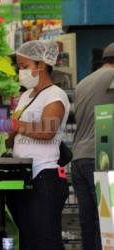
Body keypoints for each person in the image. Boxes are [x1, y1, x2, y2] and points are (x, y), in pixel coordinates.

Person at [4, 40, 70, 250]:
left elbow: (47, 131)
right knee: (28, 241)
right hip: (22, 177)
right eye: (19, 67)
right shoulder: (25, 96)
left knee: (46, 241)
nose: (21, 72)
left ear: (41, 65)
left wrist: (16, 124)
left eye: (25, 66)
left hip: (44, 177)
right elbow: (11, 134)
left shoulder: (55, 95)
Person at [71, 43, 114, 250]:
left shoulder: (84, 82)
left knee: (88, 223)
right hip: (103, 157)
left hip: (79, 158)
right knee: (108, 225)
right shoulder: (111, 78)